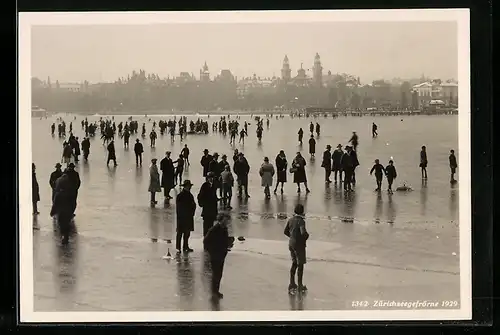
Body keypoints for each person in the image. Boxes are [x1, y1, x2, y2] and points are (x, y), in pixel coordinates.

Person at [203, 212, 234, 299]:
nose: (227, 221)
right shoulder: (214, 229)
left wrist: (229, 242)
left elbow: (223, 240)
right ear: (221, 219)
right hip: (216, 255)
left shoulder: (224, 229)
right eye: (226, 219)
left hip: (222, 254)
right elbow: (206, 241)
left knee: (219, 274)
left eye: (227, 220)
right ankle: (214, 291)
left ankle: (216, 291)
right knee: (216, 274)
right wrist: (212, 251)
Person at [284, 204, 309, 293]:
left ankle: (291, 283)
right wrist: (306, 237)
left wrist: (292, 237)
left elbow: (285, 231)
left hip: (291, 244)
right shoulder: (301, 221)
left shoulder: (290, 220)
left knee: (294, 263)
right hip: (299, 245)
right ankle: (300, 285)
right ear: (302, 212)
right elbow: (303, 233)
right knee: (300, 264)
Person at [175, 180, 196, 253]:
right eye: (189, 186)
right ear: (185, 186)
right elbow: (179, 208)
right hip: (182, 217)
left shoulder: (189, 195)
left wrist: (192, 213)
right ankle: (178, 247)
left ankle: (185, 246)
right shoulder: (180, 196)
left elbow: (193, 205)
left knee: (187, 233)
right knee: (180, 233)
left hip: (188, 216)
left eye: (190, 186)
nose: (190, 187)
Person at [197, 172, 219, 238]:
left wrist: (216, 200)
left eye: (212, 177)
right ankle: (206, 239)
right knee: (206, 225)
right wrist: (202, 204)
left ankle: (210, 239)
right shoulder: (204, 185)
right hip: (207, 209)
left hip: (212, 209)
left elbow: (214, 196)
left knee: (211, 225)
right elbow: (200, 196)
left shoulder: (214, 185)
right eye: (210, 178)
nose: (211, 179)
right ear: (208, 178)